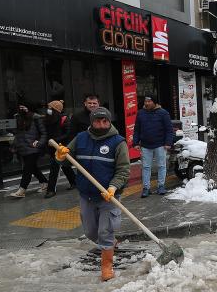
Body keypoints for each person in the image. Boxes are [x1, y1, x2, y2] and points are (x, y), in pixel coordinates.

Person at [54, 107, 129, 281]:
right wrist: (60, 155)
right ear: (92, 122)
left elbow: (123, 170)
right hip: (86, 193)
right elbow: (66, 160)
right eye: (97, 121)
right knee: (90, 231)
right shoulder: (81, 139)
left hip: (109, 195)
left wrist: (113, 187)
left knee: (105, 230)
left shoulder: (118, 142)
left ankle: (106, 266)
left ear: (109, 122)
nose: (101, 124)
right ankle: (110, 242)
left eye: (105, 121)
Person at [132, 95, 172, 197]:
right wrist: (136, 142)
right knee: (146, 167)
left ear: (154, 102)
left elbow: (169, 129)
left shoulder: (163, 113)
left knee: (161, 166)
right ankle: (146, 188)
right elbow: (137, 129)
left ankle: (161, 186)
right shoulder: (141, 113)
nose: (147, 103)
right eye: (145, 101)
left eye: (149, 101)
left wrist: (168, 142)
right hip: (145, 145)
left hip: (160, 144)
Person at [9, 104, 48, 198]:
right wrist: (14, 145)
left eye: (24, 107)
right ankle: (44, 183)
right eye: (20, 107)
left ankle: (22, 190)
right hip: (22, 147)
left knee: (27, 169)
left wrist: (39, 143)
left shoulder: (36, 118)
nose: (22, 109)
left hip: (33, 147)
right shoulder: (17, 118)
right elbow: (17, 133)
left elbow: (44, 133)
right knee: (33, 168)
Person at [43, 100, 76, 198]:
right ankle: (74, 182)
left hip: (61, 147)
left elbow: (67, 134)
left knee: (54, 167)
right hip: (51, 146)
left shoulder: (64, 119)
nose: (48, 110)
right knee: (65, 166)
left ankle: (51, 189)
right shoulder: (48, 119)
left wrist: (55, 141)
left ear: (56, 109)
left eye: (50, 108)